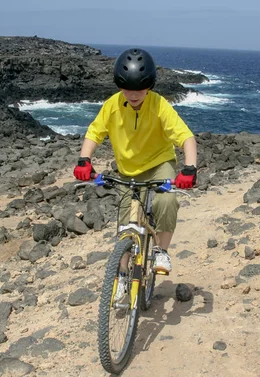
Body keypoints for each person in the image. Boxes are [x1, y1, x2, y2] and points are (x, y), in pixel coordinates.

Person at [74, 48, 198, 282]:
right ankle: (121, 275)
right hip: (128, 172)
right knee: (124, 226)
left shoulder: (159, 105)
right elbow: (94, 133)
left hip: (159, 165)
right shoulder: (112, 105)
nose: (133, 95)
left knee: (167, 201)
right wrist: (84, 160)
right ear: (119, 86)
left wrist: (189, 168)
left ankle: (161, 251)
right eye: (127, 89)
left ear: (148, 85)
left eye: (139, 89)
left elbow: (186, 138)